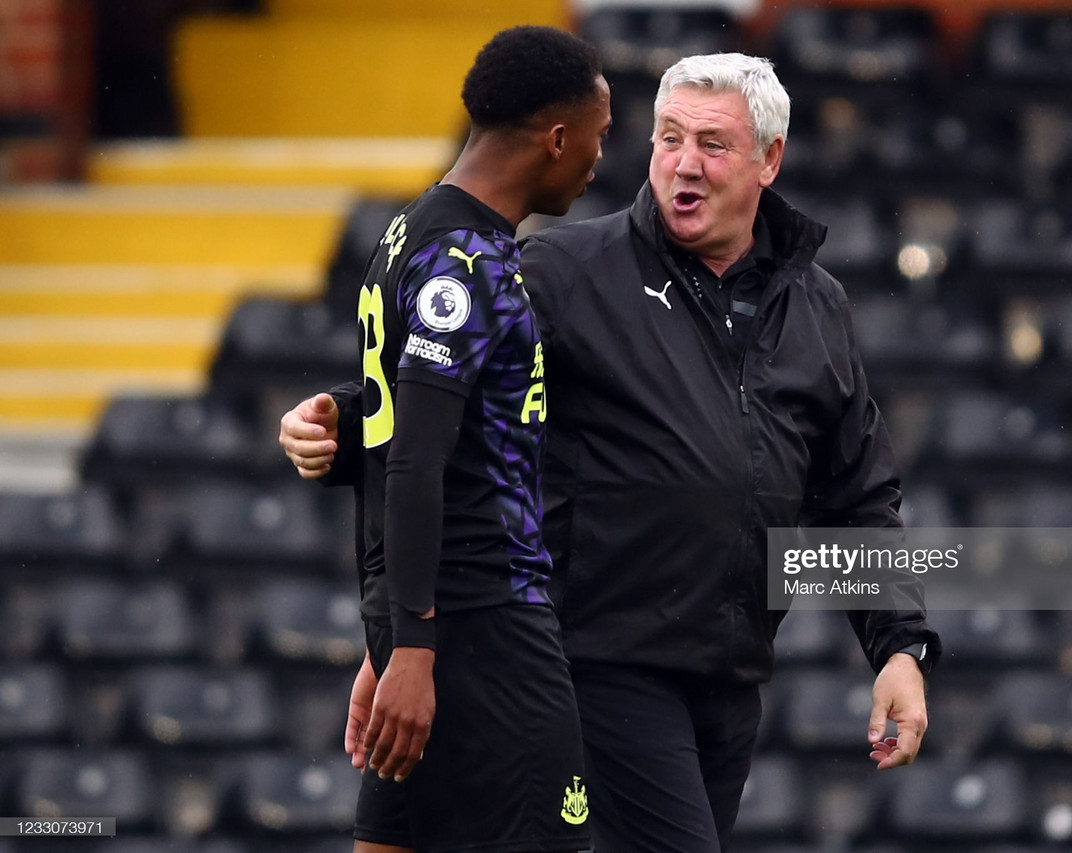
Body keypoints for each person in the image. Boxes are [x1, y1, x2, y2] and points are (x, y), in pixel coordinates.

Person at [282, 53, 939, 853]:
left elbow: (857, 497)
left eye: (713, 143)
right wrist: (345, 425)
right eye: (669, 138)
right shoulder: (563, 270)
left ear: (770, 160)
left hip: (731, 680)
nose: (684, 163)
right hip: (597, 660)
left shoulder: (819, 306)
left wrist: (897, 647)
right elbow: (447, 395)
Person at [332, 25, 611, 853]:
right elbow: (418, 457)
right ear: (557, 138)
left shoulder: (407, 231)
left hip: (424, 612)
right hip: (485, 620)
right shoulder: (467, 260)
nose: (599, 161)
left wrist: (393, 635)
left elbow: (390, 444)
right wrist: (412, 647)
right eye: (597, 138)